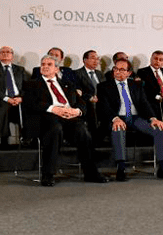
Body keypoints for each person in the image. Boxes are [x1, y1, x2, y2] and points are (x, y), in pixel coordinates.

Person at [23, 55, 107, 186]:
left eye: (49, 64)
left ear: (57, 69)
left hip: (69, 117)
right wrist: (53, 109)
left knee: (82, 131)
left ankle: (91, 173)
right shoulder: (32, 84)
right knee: (55, 129)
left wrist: (76, 111)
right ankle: (48, 174)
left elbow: (81, 103)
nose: (45, 66)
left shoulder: (67, 84)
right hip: (46, 119)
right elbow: (30, 104)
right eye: (43, 64)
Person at [97, 58, 163, 181]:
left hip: (135, 118)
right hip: (117, 117)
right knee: (118, 128)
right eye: (116, 69)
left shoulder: (136, 85)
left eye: (122, 70)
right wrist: (115, 119)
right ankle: (121, 168)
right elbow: (104, 107)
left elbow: (144, 104)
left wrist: (153, 118)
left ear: (129, 73)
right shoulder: (104, 86)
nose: (118, 72)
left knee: (159, 128)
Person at [0, 46, 27, 150]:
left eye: (8, 52)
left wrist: (20, 98)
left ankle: (28, 138)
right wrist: (8, 99)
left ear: (12, 56)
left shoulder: (20, 69)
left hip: (18, 99)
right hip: (1, 99)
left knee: (31, 105)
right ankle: (4, 139)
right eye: (2, 52)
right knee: (4, 106)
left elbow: (26, 87)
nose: (5, 54)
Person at [136, 50, 163, 120]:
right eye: (155, 58)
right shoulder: (142, 72)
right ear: (151, 59)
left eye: (161, 60)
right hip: (154, 101)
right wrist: (158, 97)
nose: (158, 61)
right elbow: (144, 90)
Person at [74, 49, 104, 134]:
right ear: (85, 60)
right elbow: (77, 91)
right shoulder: (77, 73)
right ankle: (95, 137)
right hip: (87, 101)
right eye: (93, 58)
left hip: (101, 100)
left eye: (97, 58)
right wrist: (90, 97)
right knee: (92, 106)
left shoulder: (100, 74)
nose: (96, 61)